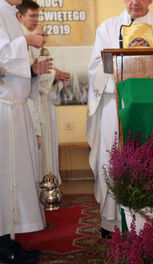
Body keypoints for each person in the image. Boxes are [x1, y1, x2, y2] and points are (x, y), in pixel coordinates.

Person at [87, 0, 153, 238]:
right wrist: (122, 68)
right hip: (115, 102)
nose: (135, 2)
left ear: (151, 0)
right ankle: (113, 223)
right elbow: (95, 67)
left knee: (152, 157)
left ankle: (151, 222)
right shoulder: (107, 28)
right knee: (113, 157)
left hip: (151, 105)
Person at [0, 0, 52, 262]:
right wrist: (27, 42)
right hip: (3, 109)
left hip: (16, 109)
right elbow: (1, 57)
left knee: (15, 180)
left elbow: (10, 67)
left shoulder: (9, 14)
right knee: (4, 180)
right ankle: (2, 247)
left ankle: (9, 240)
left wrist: (31, 71)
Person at [16, 0, 71, 183]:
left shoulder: (30, 38)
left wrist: (53, 73)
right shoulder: (20, 41)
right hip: (28, 102)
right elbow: (27, 74)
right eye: (32, 15)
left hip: (41, 101)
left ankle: (47, 185)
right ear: (20, 16)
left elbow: (38, 69)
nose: (35, 19)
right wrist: (54, 74)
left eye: (38, 15)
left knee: (46, 146)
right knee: (37, 149)